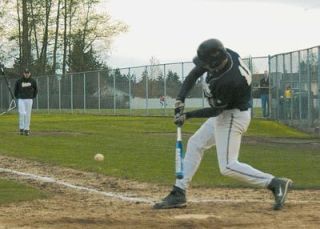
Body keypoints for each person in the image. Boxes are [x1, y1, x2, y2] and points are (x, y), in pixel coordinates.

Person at [153, 39, 292, 211]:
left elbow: (216, 111)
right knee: (196, 143)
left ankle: (275, 182)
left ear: (215, 63)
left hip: (233, 116)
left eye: (206, 64)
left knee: (227, 166)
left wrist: (188, 115)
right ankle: (179, 192)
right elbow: (194, 74)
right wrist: (180, 98)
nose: (203, 66)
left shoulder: (230, 80)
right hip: (226, 112)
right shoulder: (224, 57)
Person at [14, 68, 38, 136]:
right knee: (22, 113)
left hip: (29, 99)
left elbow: (36, 89)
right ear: (23, 73)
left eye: (28, 73)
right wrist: (17, 96)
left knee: (28, 114)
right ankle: (21, 128)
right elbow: (16, 89)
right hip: (21, 99)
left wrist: (33, 96)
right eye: (25, 73)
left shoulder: (33, 81)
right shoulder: (19, 81)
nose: (26, 74)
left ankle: (27, 129)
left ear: (30, 73)